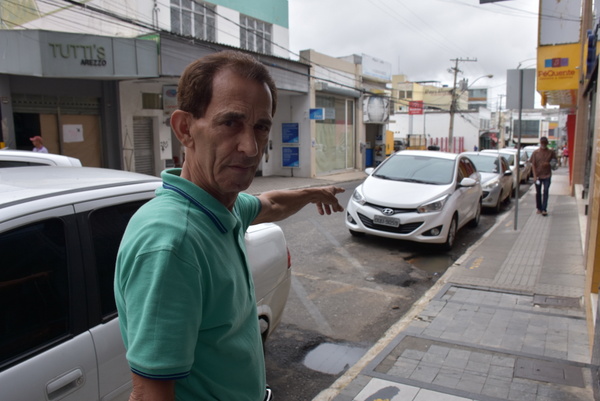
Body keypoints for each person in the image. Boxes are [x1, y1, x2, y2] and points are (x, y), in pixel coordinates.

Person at [114, 50, 345, 401]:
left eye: (261, 127)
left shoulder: (221, 207)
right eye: (230, 123)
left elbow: (270, 203)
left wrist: (312, 192)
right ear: (184, 128)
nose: (251, 147)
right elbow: (149, 392)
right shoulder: (174, 242)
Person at [530, 136, 557, 216]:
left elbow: (555, 162)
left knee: (546, 191)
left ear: (547, 143)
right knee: (538, 192)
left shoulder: (551, 152)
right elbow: (533, 165)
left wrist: (549, 164)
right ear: (540, 143)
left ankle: (544, 209)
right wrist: (534, 176)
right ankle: (539, 208)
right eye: (542, 143)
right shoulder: (535, 153)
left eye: (545, 143)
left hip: (547, 175)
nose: (543, 144)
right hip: (538, 176)